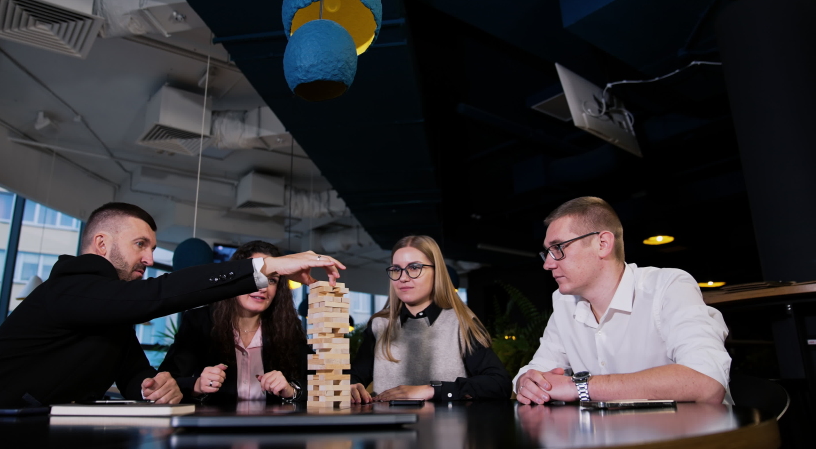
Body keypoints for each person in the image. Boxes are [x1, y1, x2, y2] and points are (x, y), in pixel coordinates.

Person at [0, 202, 344, 408]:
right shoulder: (69, 287)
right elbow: (157, 295)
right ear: (100, 244)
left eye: (152, 249)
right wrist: (268, 266)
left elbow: (137, 379)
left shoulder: (109, 311)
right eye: (139, 245)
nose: (148, 258)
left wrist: (162, 387)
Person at [514, 197, 731, 405]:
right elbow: (535, 371)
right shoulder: (564, 303)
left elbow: (706, 382)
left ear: (603, 243)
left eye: (558, 248)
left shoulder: (668, 286)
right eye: (548, 252)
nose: (548, 264)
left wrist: (579, 387)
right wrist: (527, 382)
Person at [350, 235, 512, 403]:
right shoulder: (379, 324)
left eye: (414, 267)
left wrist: (433, 390)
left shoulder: (460, 323)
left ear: (437, 272)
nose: (403, 277)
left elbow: (499, 383)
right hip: (389, 427)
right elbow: (354, 377)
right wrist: (350, 386)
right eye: (396, 269)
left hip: (445, 427)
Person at [159, 241, 310, 404]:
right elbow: (167, 382)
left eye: (272, 280)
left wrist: (292, 390)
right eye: (255, 275)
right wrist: (197, 385)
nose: (263, 287)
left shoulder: (288, 329)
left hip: (271, 427)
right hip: (214, 427)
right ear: (236, 277)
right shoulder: (200, 321)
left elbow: (321, 384)